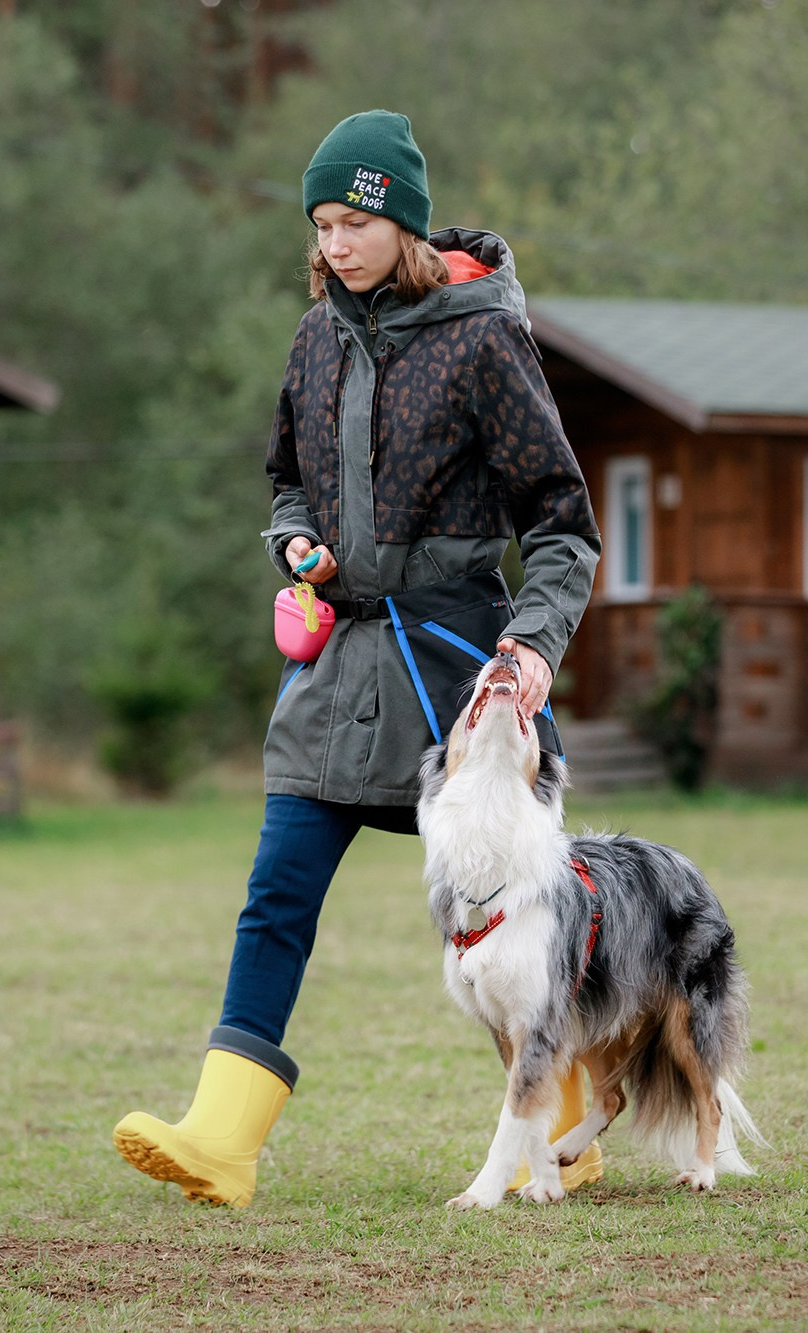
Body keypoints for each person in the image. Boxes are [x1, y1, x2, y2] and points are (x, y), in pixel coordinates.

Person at [112, 110, 602, 1208]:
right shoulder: (312, 338)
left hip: (457, 679)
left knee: (516, 922)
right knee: (274, 891)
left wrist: (529, 642)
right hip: (336, 668)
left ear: (402, 223)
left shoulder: (484, 340)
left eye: (354, 221)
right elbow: (283, 476)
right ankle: (220, 1139)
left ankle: (564, 1127)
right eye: (321, 224)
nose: (333, 244)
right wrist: (292, 539)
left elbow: (563, 523)